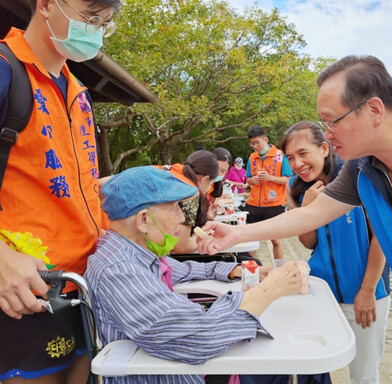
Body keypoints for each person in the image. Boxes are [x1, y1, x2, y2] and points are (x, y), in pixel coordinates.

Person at [198, 55, 392, 383]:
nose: (327, 135)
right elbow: (311, 215)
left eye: (331, 121)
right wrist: (236, 234)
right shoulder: (361, 167)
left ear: (374, 110)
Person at [84, 166, 303, 384]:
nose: (182, 218)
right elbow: (202, 337)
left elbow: (187, 269)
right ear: (143, 220)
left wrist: (237, 270)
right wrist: (271, 289)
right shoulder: (119, 271)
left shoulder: (137, 253)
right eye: (175, 208)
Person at [0, 0, 120, 382]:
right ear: (47, 4)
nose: (96, 30)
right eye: (90, 17)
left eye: (105, 22)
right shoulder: (6, 71)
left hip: (82, 291)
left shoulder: (78, 91)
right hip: (24, 292)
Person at [282, 121, 390, 384]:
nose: (297, 163)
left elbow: (383, 238)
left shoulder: (360, 177)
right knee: (311, 366)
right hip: (320, 292)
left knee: (364, 374)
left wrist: (366, 290)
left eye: (303, 153)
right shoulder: (295, 187)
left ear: (324, 148)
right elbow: (308, 243)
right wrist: (306, 208)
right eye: (290, 157)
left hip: (366, 294)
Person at [245, 125, 293, 260]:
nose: (255, 146)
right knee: (251, 241)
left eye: (257, 142)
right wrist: (251, 180)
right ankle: (251, 270)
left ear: (265, 140)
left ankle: (278, 269)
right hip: (254, 203)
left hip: (274, 204)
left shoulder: (280, 156)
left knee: (276, 240)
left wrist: (270, 178)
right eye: (252, 143)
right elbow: (247, 180)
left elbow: (288, 180)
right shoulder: (252, 157)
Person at [160, 150, 219, 254]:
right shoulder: (189, 192)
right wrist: (201, 236)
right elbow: (182, 247)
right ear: (205, 179)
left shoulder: (172, 174)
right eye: (212, 182)